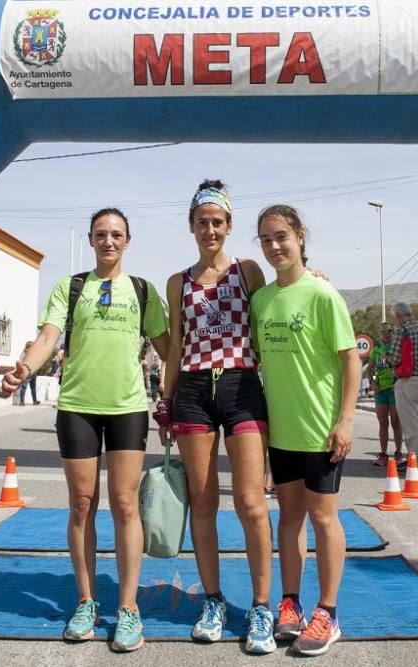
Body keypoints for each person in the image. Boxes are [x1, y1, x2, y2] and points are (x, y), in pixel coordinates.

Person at [0, 208, 169, 652]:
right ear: (92, 240)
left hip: (128, 408)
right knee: (81, 504)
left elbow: (173, 349)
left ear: (128, 241)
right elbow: (48, 336)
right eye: (100, 234)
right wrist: (24, 370)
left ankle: (128, 609)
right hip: (77, 407)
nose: (108, 241)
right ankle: (87, 601)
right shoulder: (71, 286)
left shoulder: (143, 291)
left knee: (125, 504)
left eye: (116, 235)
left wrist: (181, 396)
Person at [156, 180, 276, 654]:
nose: (210, 229)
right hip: (191, 391)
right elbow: (175, 348)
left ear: (229, 226)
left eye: (218, 222)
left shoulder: (249, 271)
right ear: (191, 226)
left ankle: (262, 607)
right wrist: (164, 401)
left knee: (250, 502)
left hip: (241, 386)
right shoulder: (177, 281)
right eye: (202, 222)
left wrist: (317, 278)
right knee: (203, 504)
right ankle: (213, 600)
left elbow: (271, 318)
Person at [251, 204, 358, 657]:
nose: (275, 246)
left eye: (282, 237)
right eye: (266, 240)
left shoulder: (323, 295)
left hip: (321, 430)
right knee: (290, 517)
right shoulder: (261, 301)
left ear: (299, 236)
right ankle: (291, 604)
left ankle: (328, 612)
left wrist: (346, 419)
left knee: (323, 517)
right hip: (282, 434)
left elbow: (350, 358)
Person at [385, 302, 418, 473]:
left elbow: (395, 358)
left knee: (409, 422)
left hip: (406, 380)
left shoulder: (402, 331)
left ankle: (416, 460)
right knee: (415, 420)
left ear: (398, 315)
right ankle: (416, 457)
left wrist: (386, 360)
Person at [367, 323, 403, 467]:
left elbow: (405, 368)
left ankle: (399, 453)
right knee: (383, 423)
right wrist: (372, 382)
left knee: (396, 423)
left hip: (395, 390)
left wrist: (398, 383)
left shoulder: (398, 349)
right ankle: (383, 454)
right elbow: (369, 369)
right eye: (383, 332)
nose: (387, 334)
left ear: (393, 333)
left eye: (389, 331)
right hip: (380, 391)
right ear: (380, 334)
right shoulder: (376, 351)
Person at [18, 341, 38, 406]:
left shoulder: (25, 353)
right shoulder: (27, 353)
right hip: (28, 372)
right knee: (29, 387)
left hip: (30, 372)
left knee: (28, 387)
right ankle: (24, 401)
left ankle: (23, 401)